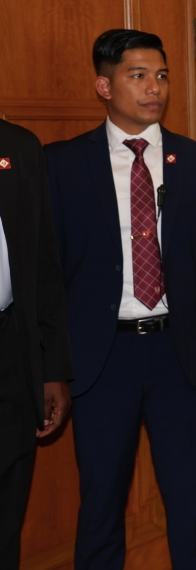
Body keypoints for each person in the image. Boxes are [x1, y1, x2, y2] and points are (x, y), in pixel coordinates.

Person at [45, 29, 196, 569]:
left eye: (162, 75)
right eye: (138, 75)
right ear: (104, 85)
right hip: (103, 358)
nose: (155, 88)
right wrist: (51, 364)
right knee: (100, 502)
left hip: (182, 354)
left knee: (190, 500)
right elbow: (50, 275)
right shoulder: (63, 165)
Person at [0, 119, 73, 566]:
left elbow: (44, 265)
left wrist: (52, 369)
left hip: (11, 351)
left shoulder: (19, 147)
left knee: (8, 511)